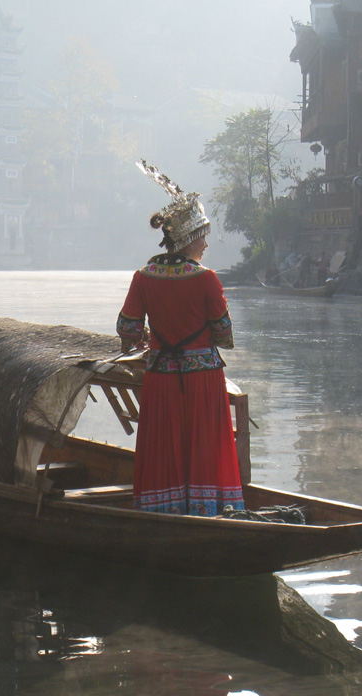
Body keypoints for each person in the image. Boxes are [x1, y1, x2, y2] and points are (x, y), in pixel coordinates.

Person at [116, 160, 244, 517]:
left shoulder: (144, 276)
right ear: (191, 238)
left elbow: (127, 329)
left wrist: (148, 335)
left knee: (163, 446)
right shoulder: (206, 279)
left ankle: (163, 511)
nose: (206, 243)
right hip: (202, 379)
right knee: (204, 446)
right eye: (203, 235)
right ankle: (208, 512)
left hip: (161, 378)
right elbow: (224, 335)